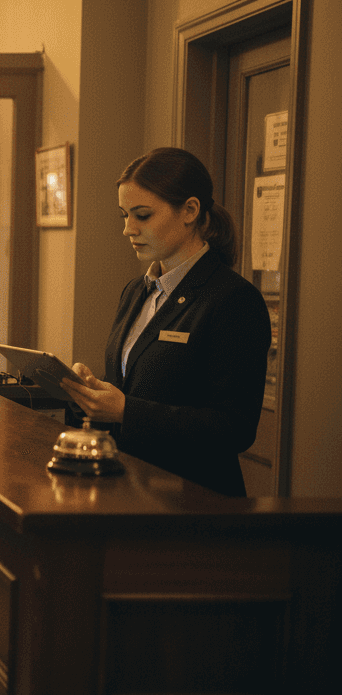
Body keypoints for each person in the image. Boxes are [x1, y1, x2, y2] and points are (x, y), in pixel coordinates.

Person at [60, 147, 270, 496]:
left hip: (195, 504)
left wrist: (127, 411)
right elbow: (139, 387)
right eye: (124, 215)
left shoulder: (232, 299)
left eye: (142, 215)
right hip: (130, 491)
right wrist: (92, 394)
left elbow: (234, 428)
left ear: (190, 210)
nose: (128, 229)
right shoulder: (136, 291)